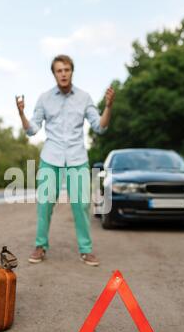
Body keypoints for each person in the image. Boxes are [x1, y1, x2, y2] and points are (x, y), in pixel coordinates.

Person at [16, 55, 115, 266]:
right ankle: (40, 246)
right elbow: (32, 130)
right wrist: (21, 113)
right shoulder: (44, 98)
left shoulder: (84, 97)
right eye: (59, 70)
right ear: (54, 74)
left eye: (67, 69)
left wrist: (108, 106)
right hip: (50, 157)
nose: (63, 73)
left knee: (81, 205)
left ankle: (86, 250)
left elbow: (100, 127)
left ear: (72, 71)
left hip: (77, 158)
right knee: (44, 204)